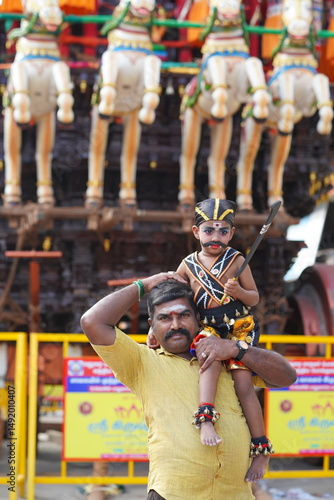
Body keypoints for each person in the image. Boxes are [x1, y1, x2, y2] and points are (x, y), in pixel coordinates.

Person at [81, 273, 297, 500]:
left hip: (235, 494)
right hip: (173, 494)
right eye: (164, 318)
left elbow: (286, 377)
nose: (175, 325)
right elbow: (92, 321)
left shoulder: (226, 358)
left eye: (183, 315)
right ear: (152, 326)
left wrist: (237, 349)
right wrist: (143, 285)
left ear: (197, 318)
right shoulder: (142, 361)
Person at [176, 197, 269, 482]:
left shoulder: (237, 260)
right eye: (209, 230)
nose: (215, 237)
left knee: (244, 386)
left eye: (222, 231)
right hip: (210, 328)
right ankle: (205, 420)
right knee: (209, 361)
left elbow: (254, 297)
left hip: (239, 327)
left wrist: (239, 292)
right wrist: (154, 329)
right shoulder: (188, 265)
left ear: (231, 233)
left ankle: (261, 447)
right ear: (196, 232)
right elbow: (173, 298)